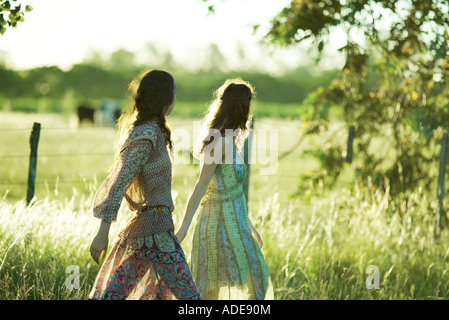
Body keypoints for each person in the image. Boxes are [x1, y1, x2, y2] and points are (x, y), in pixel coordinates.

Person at [88, 70, 201, 300]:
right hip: (156, 234)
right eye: (173, 95)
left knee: (125, 295)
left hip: (148, 231)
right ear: (165, 98)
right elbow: (119, 182)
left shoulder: (151, 131)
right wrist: (102, 233)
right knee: (190, 298)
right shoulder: (147, 134)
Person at [176, 78, 274, 300]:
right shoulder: (217, 140)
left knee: (256, 277)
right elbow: (201, 185)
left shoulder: (233, 138)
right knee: (212, 286)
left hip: (236, 223)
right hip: (217, 225)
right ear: (241, 106)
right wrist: (183, 229)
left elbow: (235, 191)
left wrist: (250, 227)